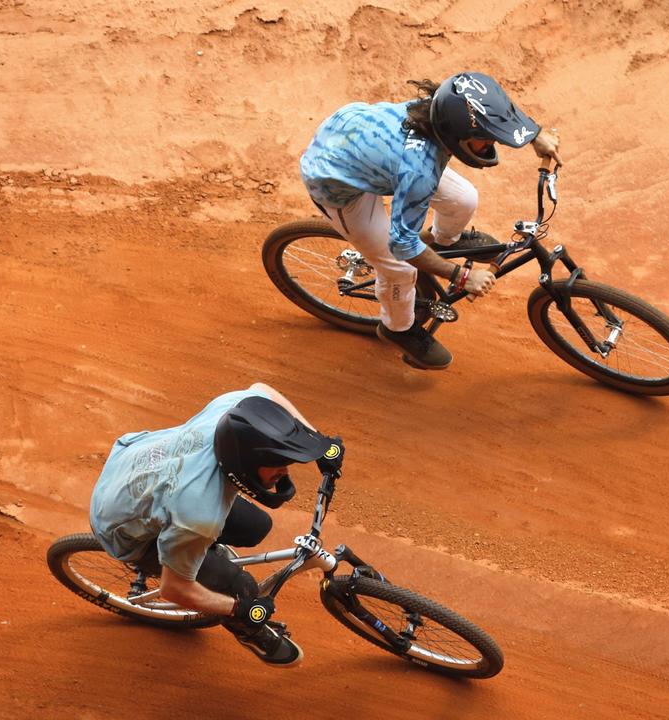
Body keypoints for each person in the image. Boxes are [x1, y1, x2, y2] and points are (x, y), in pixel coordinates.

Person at [300, 72, 563, 370]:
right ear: (456, 137)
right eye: (483, 140)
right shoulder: (418, 173)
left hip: (357, 142)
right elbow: (401, 245)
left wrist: (534, 135)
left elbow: (491, 108)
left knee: (464, 198)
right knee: (399, 268)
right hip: (337, 185)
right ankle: (397, 329)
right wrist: (462, 277)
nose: (491, 144)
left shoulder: (444, 108)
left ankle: (444, 239)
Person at [88, 382, 344, 667]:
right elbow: (174, 590)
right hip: (122, 527)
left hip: (131, 465)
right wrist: (239, 608)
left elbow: (264, 391)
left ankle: (195, 554)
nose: (285, 471)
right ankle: (248, 632)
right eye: (277, 463)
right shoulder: (199, 517)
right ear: (246, 461)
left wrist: (318, 441)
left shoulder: (234, 418)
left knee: (256, 526)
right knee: (243, 586)